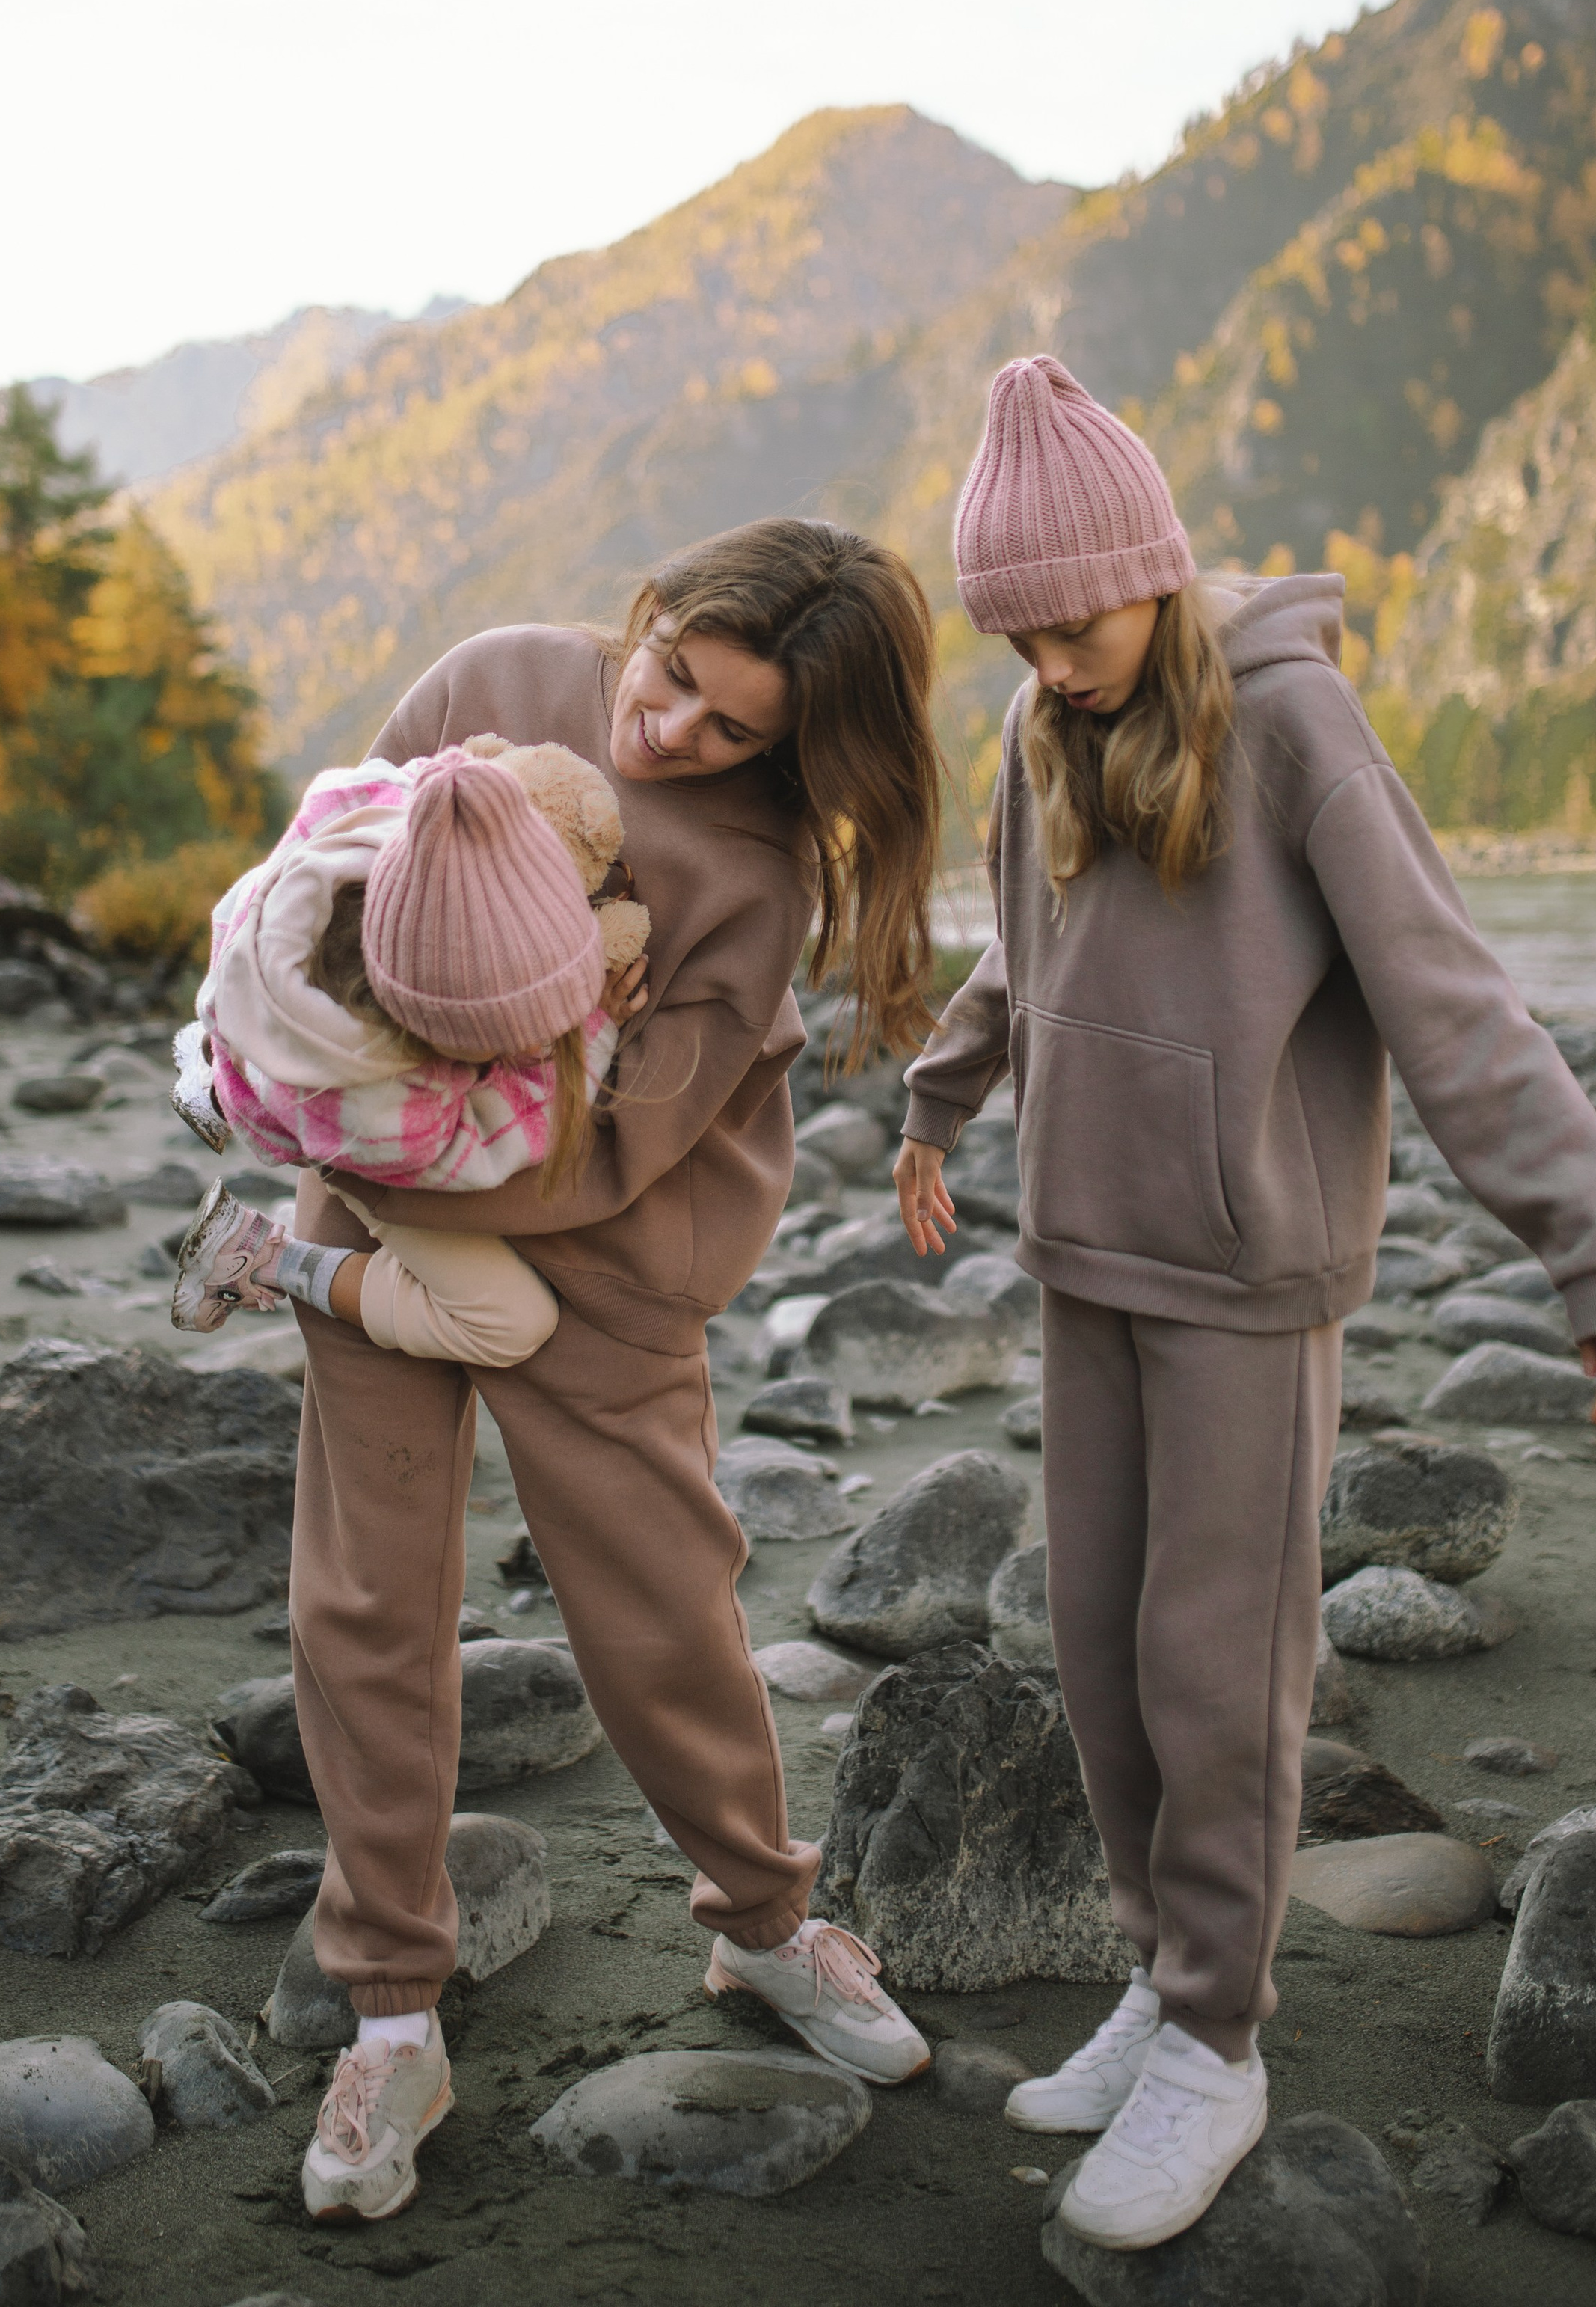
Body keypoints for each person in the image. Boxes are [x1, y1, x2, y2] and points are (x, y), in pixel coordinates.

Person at [893, 355, 1596, 2256]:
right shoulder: (1035, 726)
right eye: (1014, 633)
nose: (1048, 660)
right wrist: (938, 1089)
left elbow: (1449, 997)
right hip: (1087, 1253)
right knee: (1091, 1642)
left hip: (1246, 1275)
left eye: (1066, 621)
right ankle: (1158, 1972)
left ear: (1145, 566)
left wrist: (1589, 1244)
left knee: (1215, 1662)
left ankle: (1220, 2040)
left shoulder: (1296, 723)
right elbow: (1018, 935)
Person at [286, 518, 946, 2225]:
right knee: (368, 1595)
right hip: (369, 1204)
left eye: (728, 729)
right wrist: (315, 1115)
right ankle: (393, 2008)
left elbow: (629, 1142)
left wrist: (404, 1139)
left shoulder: (757, 870)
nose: (666, 734)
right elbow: (315, 895)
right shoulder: (495, 679)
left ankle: (758, 1920)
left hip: (604, 1256)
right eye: (667, 681)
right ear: (645, 617)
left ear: (793, 745)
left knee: (663, 1595)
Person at [167, 743, 643, 1367]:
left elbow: (432, 778)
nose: (533, 1045)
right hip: (334, 1126)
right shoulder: (385, 1116)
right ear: (427, 1035)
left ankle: (212, 1061)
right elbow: (494, 1143)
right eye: (502, 1041)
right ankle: (257, 1254)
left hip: (255, 1001)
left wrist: (473, 791)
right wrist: (594, 1030)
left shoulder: (386, 818)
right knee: (511, 1323)